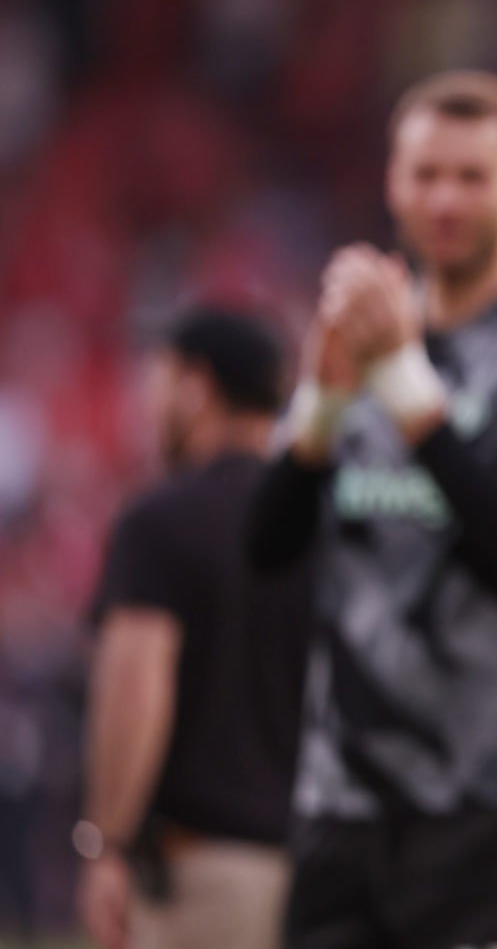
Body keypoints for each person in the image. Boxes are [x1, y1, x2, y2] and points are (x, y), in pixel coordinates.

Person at [248, 70, 497, 949]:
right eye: (426, 174)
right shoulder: (364, 331)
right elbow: (266, 546)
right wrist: (319, 404)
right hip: (345, 806)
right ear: (392, 182)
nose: (446, 198)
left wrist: (401, 380)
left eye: (472, 175)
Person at [77, 307, 311, 949]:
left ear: (196, 385)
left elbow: (135, 691)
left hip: (203, 875)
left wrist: (104, 842)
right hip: (321, 872)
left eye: (158, 380)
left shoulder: (162, 521)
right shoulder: (326, 520)